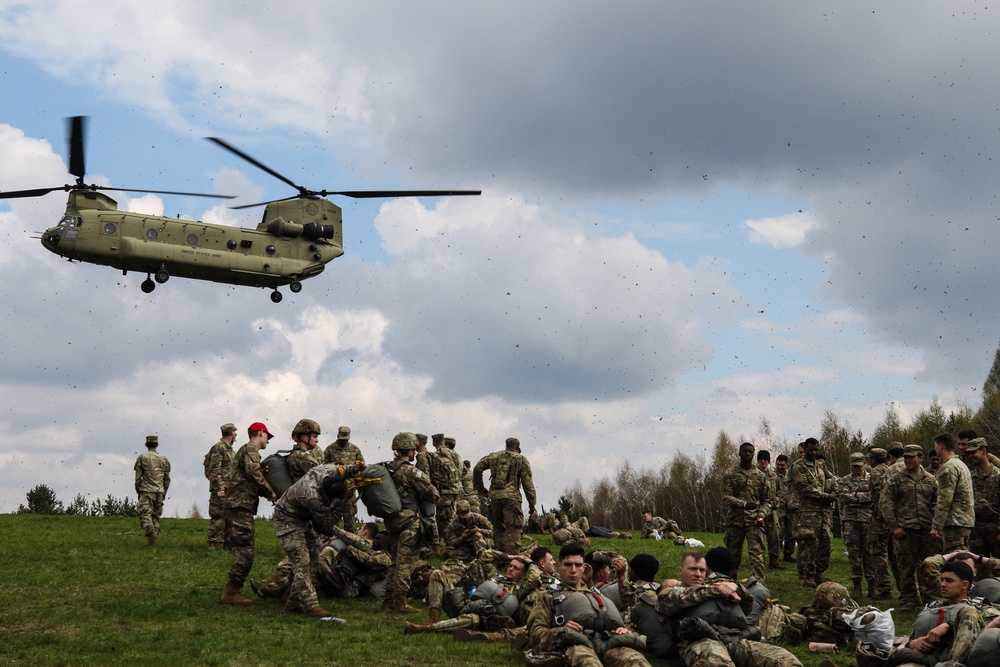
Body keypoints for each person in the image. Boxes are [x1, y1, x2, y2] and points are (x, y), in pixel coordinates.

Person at [656, 549, 802, 667]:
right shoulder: (670, 592)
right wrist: (715, 590)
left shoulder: (719, 587)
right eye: (693, 569)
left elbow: (747, 607)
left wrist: (737, 588)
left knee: (785, 659)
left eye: (702, 570)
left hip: (736, 641)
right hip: (701, 643)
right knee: (717, 663)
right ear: (680, 571)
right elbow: (676, 601)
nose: (698, 574)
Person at [526, 543, 651, 667]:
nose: (573, 570)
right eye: (568, 565)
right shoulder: (547, 597)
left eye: (578, 565)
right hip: (575, 644)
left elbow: (627, 612)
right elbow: (535, 635)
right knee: (587, 663)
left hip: (609, 642)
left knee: (637, 661)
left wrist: (623, 629)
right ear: (559, 566)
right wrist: (561, 631)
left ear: (584, 567)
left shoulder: (597, 594)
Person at [272, 461, 366, 616]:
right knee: (301, 559)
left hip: (304, 518)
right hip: (287, 519)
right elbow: (327, 527)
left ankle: (294, 602)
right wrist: (342, 502)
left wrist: (355, 469)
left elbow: (342, 470)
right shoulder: (312, 497)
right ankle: (310, 605)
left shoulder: (327, 470)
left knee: (314, 558)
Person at [382, 431, 440, 613]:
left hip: (392, 521)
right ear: (409, 449)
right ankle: (399, 604)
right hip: (409, 522)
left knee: (394, 562)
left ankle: (388, 601)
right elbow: (432, 494)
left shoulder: (387, 470)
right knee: (405, 564)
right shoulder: (411, 471)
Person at [220, 422, 277, 606]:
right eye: (267, 436)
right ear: (260, 433)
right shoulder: (251, 449)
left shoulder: (246, 450)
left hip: (238, 505)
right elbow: (253, 472)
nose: (268, 440)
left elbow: (248, 479)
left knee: (243, 549)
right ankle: (231, 592)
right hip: (239, 505)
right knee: (245, 550)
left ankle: (232, 590)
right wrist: (270, 491)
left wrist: (264, 492)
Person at [888, 561, 984, 666]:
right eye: (942, 580)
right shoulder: (932, 609)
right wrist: (911, 644)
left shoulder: (982, 609)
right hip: (926, 660)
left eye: (949, 581)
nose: (942, 584)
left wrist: (950, 625)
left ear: (965, 585)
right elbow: (910, 639)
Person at [881, 444, 939, 610]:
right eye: (905, 457)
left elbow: (938, 502)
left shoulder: (930, 479)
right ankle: (909, 599)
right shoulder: (897, 479)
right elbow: (887, 503)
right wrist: (894, 526)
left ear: (920, 458)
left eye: (911, 457)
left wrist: (936, 524)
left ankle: (929, 599)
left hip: (927, 529)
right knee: (906, 566)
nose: (907, 460)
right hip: (905, 530)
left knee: (928, 566)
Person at [474, 437, 537, 554]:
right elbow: (527, 483)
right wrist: (532, 504)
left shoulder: (493, 456)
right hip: (512, 498)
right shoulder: (521, 459)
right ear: (518, 448)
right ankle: (512, 560)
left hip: (495, 497)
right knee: (513, 528)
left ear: (506, 446)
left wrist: (480, 487)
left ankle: (500, 556)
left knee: (498, 528)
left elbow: (478, 468)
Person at [722, 442, 771, 583]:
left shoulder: (760, 476)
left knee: (757, 555)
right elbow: (726, 497)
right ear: (739, 453)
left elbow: (767, 501)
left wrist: (762, 515)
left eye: (750, 452)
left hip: (754, 522)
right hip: (734, 521)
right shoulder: (730, 474)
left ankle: (758, 584)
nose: (747, 454)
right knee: (732, 555)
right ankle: (729, 582)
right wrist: (742, 504)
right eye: (745, 451)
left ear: (753, 454)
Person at [791, 437, 835, 587]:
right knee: (810, 542)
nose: (814, 452)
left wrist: (834, 489)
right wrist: (826, 496)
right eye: (811, 449)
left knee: (826, 540)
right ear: (805, 449)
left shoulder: (820, 466)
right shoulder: (798, 466)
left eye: (816, 449)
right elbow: (804, 488)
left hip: (823, 512)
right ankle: (808, 574)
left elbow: (831, 478)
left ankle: (819, 572)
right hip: (808, 511)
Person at [836, 452, 873, 598]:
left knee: (869, 553)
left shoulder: (872, 479)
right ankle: (857, 585)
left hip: (867, 519)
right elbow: (844, 498)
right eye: (854, 466)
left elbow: (873, 497)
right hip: (850, 521)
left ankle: (872, 585)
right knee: (854, 553)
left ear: (864, 464)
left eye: (859, 466)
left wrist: (855, 495)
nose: (856, 469)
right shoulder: (843, 480)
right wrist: (862, 497)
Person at [933, 432, 975, 552]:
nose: (935, 448)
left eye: (935, 445)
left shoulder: (948, 467)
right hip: (964, 520)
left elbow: (945, 498)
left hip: (955, 522)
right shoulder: (961, 465)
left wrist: (936, 525)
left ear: (941, 446)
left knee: (956, 560)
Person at [966, 437, 1000, 571]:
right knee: (979, 567)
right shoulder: (970, 476)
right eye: (968, 454)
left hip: (994, 526)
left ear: (984, 451)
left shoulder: (997, 475)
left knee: (998, 566)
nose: (970, 456)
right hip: (976, 527)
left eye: (973, 452)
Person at [323, 425, 365, 531]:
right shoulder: (330, 449)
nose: (344, 442)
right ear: (338, 436)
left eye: (346, 439)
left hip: (349, 488)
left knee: (349, 515)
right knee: (332, 513)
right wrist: (334, 464)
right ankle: (330, 538)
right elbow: (322, 467)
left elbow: (361, 466)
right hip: (334, 488)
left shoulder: (355, 450)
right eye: (342, 439)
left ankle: (350, 541)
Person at [865, 447, 893, 599]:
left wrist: (880, 515)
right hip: (892, 516)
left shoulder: (875, 472)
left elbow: (878, 494)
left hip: (880, 518)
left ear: (873, 460)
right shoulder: (890, 470)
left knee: (877, 551)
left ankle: (884, 588)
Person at [204, 423, 237, 549]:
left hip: (230, 488)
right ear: (230, 433)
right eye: (234, 432)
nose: (235, 434)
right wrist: (220, 488)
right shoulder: (219, 448)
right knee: (218, 515)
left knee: (228, 517)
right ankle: (214, 543)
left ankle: (225, 543)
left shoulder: (229, 450)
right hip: (221, 489)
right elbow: (214, 470)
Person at [134, 435, 170, 546]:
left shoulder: (142, 458)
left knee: (145, 514)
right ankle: (153, 538)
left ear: (146, 445)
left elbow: (138, 478)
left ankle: (150, 535)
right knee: (155, 515)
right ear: (157, 444)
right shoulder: (164, 459)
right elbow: (167, 478)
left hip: (146, 490)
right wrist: (164, 492)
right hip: (159, 490)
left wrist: (138, 490)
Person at [430, 433, 463, 550]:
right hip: (457, 489)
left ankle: (450, 545)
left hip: (445, 490)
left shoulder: (438, 455)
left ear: (434, 443)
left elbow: (436, 474)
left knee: (444, 519)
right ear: (443, 441)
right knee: (453, 515)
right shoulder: (456, 454)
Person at [756, 450, 784, 571]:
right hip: (758, 510)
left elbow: (779, 491)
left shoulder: (774, 475)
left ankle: (775, 561)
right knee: (758, 537)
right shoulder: (754, 474)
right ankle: (759, 561)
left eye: (765, 459)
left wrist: (775, 501)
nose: (763, 461)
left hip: (772, 510)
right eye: (761, 459)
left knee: (775, 536)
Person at [774, 454, 794, 562]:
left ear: (787, 465)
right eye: (778, 465)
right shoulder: (773, 475)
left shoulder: (791, 476)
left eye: (782, 465)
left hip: (790, 507)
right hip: (779, 507)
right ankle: (776, 556)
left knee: (791, 532)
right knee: (779, 533)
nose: (780, 467)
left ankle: (788, 554)